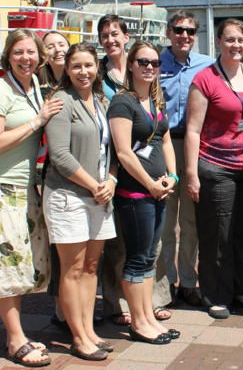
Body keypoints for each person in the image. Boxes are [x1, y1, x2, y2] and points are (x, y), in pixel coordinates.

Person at [0, 28, 63, 367]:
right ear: (8, 55)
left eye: (32, 52)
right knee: (4, 263)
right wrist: (38, 119)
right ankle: (16, 340)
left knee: (20, 262)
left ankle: (14, 335)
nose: (26, 58)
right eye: (19, 52)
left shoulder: (35, 86)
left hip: (25, 189)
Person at [185, 18, 243, 319]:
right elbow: (193, 130)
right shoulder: (205, 79)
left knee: (242, 234)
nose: (236, 45)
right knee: (217, 235)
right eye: (230, 39)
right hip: (215, 166)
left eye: (241, 40)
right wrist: (192, 173)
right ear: (218, 41)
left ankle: (238, 289)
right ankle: (215, 294)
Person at [43, 43, 118, 360]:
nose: (83, 72)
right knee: (72, 271)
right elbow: (59, 155)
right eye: (77, 66)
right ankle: (78, 337)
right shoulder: (62, 101)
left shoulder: (100, 101)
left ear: (97, 68)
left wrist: (111, 181)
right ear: (67, 69)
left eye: (89, 65)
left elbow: (110, 151)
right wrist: (94, 185)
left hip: (99, 197)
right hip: (68, 196)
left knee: (90, 268)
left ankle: (88, 330)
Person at [108, 41, 180, 345]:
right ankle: (138, 322)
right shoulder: (123, 102)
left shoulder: (155, 99)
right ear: (131, 65)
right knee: (137, 259)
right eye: (142, 62)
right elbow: (124, 153)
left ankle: (148, 315)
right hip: (136, 194)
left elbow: (164, 141)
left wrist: (173, 176)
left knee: (151, 256)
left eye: (154, 63)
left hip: (158, 191)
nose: (149, 67)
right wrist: (150, 184)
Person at [158, 10, 214, 308]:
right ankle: (166, 282)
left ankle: (189, 284)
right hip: (164, 147)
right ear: (169, 33)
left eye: (190, 31)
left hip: (194, 148)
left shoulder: (208, 65)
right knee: (166, 222)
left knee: (190, 221)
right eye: (178, 30)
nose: (184, 36)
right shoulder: (154, 63)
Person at [96, 14, 135, 326]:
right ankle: (113, 302)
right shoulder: (97, 74)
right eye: (105, 35)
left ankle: (145, 297)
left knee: (146, 236)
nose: (110, 39)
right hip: (109, 160)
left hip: (140, 158)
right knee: (115, 240)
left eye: (115, 34)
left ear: (126, 36)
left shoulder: (140, 66)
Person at [36, 30, 75, 331]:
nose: (57, 49)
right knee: (60, 241)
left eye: (62, 44)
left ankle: (77, 304)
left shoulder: (81, 75)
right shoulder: (39, 85)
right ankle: (60, 307)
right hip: (56, 166)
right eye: (50, 46)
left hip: (86, 161)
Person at [39, 31, 70, 97]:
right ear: (44, 54)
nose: (57, 50)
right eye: (50, 47)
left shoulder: (79, 81)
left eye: (61, 45)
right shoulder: (37, 86)